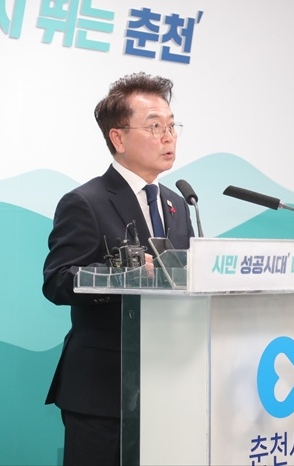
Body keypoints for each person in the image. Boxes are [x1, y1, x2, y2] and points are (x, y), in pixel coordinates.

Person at [42, 72, 195, 465]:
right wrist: (125, 273)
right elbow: (58, 281)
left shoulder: (178, 205)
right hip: (104, 393)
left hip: (169, 387)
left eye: (172, 126)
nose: (169, 137)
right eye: (155, 126)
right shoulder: (85, 202)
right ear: (118, 138)